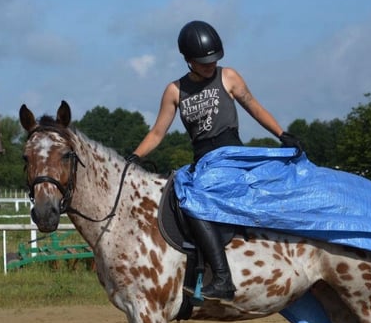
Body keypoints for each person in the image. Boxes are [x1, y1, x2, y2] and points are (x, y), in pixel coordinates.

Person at [128, 20, 301, 302]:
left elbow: (254, 107)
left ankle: (222, 278)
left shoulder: (229, 77)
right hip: (202, 160)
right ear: (187, 60)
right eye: (203, 62)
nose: (210, 66)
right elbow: (158, 132)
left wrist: (282, 134)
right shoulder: (175, 91)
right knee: (179, 191)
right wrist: (135, 156)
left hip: (230, 155)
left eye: (213, 60)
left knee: (195, 198)